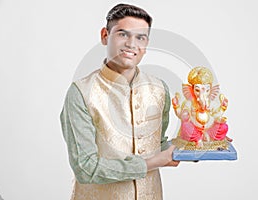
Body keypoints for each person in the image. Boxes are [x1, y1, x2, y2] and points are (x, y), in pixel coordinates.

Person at [60, 3, 179, 200]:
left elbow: (158, 144)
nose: (132, 44)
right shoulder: (81, 92)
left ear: (146, 44)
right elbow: (85, 167)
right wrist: (151, 163)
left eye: (140, 37)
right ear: (105, 36)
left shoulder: (160, 89)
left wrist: (198, 145)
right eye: (123, 34)